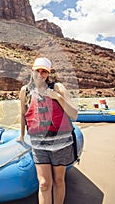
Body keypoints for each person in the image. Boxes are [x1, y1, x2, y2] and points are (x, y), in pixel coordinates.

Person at [17, 57, 78, 204]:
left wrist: (57, 97)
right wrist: (21, 135)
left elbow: (74, 114)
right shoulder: (25, 91)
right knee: (44, 184)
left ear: (48, 73)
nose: (40, 74)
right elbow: (23, 114)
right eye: (37, 70)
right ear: (32, 71)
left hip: (61, 143)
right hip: (39, 144)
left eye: (44, 71)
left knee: (58, 180)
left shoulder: (58, 88)